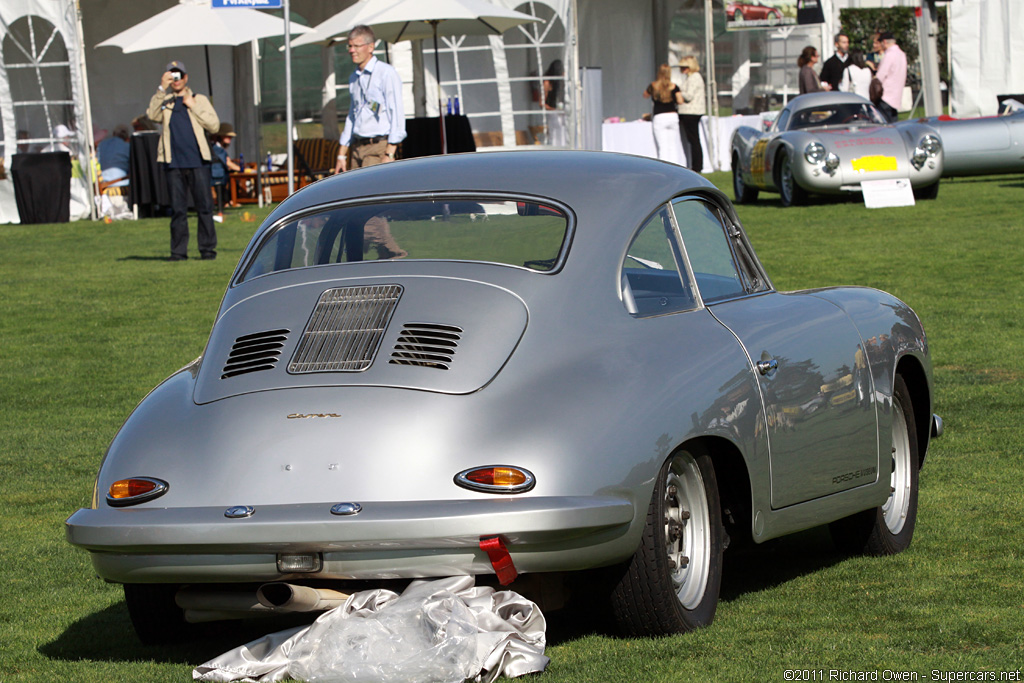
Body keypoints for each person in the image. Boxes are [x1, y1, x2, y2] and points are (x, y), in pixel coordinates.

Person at [147, 60, 220, 261]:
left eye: (179, 75)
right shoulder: (165, 101)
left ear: (186, 77)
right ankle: (178, 252)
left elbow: (214, 125)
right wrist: (161, 88)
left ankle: (207, 250)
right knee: (178, 210)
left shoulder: (199, 99)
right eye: (172, 75)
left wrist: (194, 106)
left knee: (204, 207)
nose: (176, 79)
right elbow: (151, 115)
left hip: (198, 161)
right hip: (174, 162)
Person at [333, 25, 406, 174]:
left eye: (356, 46)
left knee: (372, 193)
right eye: (350, 46)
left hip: (378, 147)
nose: (351, 50)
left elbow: (397, 114)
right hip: (357, 148)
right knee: (355, 194)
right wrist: (342, 154)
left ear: (370, 47)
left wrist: (389, 153)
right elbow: (352, 116)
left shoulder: (386, 73)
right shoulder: (354, 77)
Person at [643, 64, 683, 165]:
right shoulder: (674, 86)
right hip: (672, 116)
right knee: (673, 144)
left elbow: (645, 95)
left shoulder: (653, 86)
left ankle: (664, 166)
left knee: (662, 145)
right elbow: (680, 100)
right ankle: (676, 165)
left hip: (659, 116)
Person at [677, 55, 706, 173]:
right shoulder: (690, 78)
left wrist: (678, 92)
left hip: (692, 112)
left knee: (694, 140)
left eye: (685, 67)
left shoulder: (695, 77)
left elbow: (689, 96)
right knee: (692, 140)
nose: (683, 69)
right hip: (690, 112)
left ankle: (697, 166)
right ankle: (696, 165)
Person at [875, 31, 907, 122]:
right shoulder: (902, 54)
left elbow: (880, 76)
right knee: (894, 124)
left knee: (884, 124)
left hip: (885, 96)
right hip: (896, 96)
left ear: (884, 42)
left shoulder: (889, 55)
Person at [210, 122, 241, 214]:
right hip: (216, 173)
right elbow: (228, 162)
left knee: (223, 189)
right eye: (227, 136)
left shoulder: (219, 148)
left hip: (219, 173)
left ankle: (223, 205)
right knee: (219, 190)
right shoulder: (216, 148)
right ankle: (220, 210)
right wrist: (241, 170)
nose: (230, 139)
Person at [97, 124, 130, 188]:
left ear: (113, 133)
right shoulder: (127, 146)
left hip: (104, 183)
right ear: (127, 137)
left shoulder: (101, 144)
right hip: (122, 183)